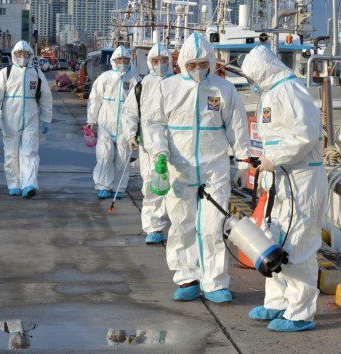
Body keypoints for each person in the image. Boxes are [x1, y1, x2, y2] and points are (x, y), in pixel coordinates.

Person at [144, 32, 250, 304]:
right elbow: (154, 123)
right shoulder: (167, 89)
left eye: (202, 64)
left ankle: (215, 282)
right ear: (182, 64)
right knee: (182, 224)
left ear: (211, 61)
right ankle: (187, 277)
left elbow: (237, 127)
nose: (198, 70)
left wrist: (242, 161)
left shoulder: (223, 90)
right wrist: (159, 152)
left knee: (213, 226)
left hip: (214, 169)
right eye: (192, 65)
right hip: (180, 169)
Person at [240, 45, 327, 332]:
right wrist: (269, 165)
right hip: (283, 177)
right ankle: (277, 301)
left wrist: (273, 159)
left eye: (252, 77)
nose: (251, 83)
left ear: (261, 73)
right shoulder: (272, 92)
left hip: (301, 179)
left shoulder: (290, 91)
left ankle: (301, 312)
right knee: (273, 239)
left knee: (297, 244)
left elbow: (306, 135)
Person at [121, 43, 173, 244]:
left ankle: (179, 225)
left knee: (178, 186)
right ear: (150, 62)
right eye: (156, 61)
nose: (160, 64)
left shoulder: (179, 83)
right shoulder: (142, 86)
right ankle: (154, 227)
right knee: (152, 185)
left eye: (164, 60)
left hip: (177, 143)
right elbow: (130, 113)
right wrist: (131, 134)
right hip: (149, 145)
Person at [0, 40, 53, 198]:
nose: (22, 57)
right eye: (19, 54)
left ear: (30, 55)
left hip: (31, 119)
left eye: (26, 54)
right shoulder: (6, 73)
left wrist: (46, 119)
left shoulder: (37, 73)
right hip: (10, 120)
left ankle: (28, 184)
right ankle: (14, 183)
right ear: (14, 55)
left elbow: (45, 98)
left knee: (30, 152)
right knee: (11, 154)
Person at [86, 45, 141, 199]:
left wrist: (139, 128)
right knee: (105, 156)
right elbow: (95, 99)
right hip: (106, 124)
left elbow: (141, 103)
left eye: (126, 59)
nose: (123, 62)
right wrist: (91, 120)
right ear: (113, 61)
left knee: (122, 159)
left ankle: (118, 187)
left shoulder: (135, 79)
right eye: (120, 59)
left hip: (126, 126)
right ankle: (103, 185)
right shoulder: (105, 78)